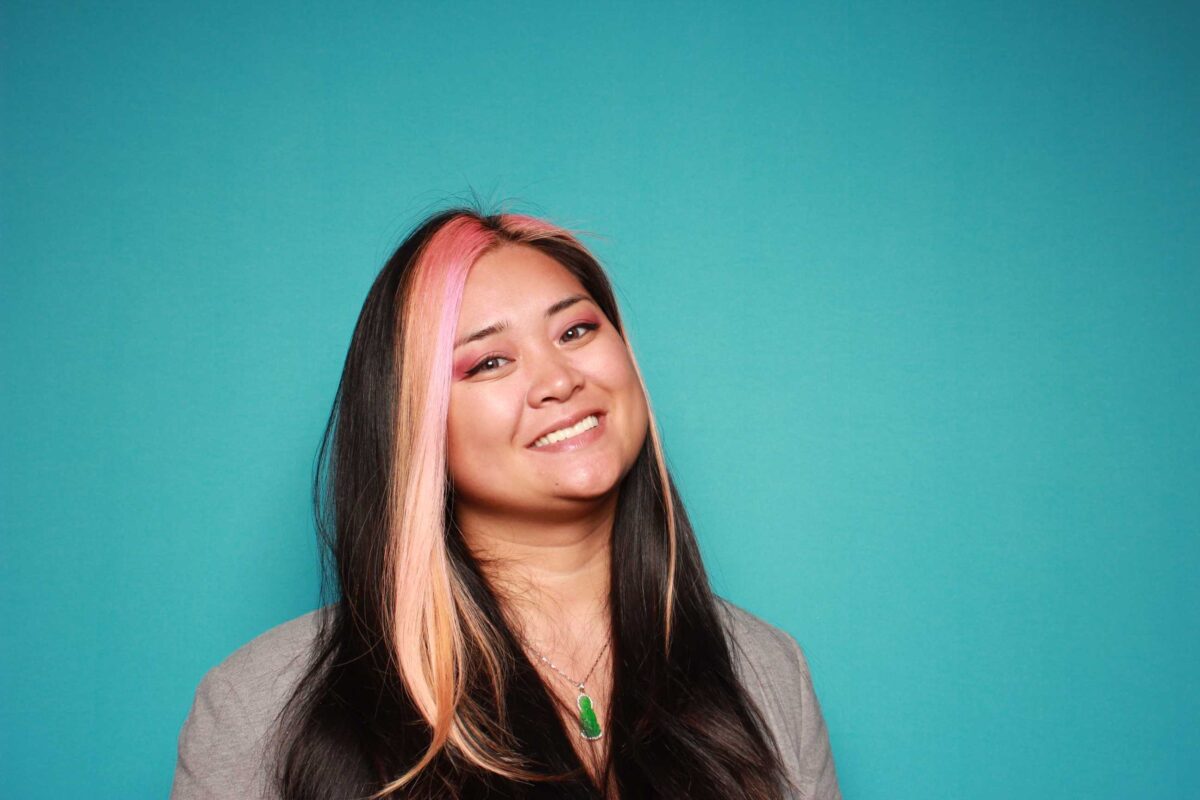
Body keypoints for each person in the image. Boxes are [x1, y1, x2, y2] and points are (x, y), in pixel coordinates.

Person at [170, 208, 841, 799]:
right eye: (489, 362)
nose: (557, 381)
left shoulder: (765, 669)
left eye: (576, 331)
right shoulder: (263, 703)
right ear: (413, 425)